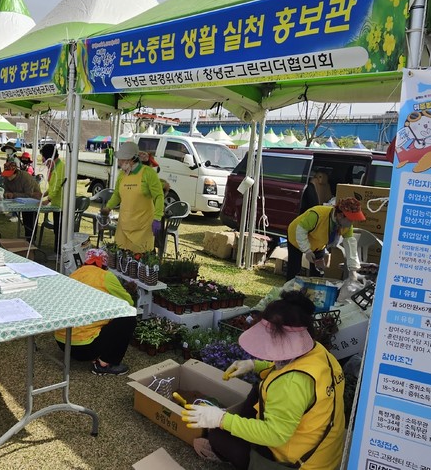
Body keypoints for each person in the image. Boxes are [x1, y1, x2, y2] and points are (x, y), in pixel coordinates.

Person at [182, 291, 345, 470]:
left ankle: (238, 456)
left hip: (299, 464)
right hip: (325, 454)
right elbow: (288, 368)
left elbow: (275, 434)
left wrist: (221, 419)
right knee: (258, 388)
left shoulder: (291, 384)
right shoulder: (319, 352)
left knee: (218, 437)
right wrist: (254, 365)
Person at [53, 249, 136, 375]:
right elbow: (128, 302)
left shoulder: (74, 274)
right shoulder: (106, 276)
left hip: (63, 343)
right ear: (104, 264)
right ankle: (104, 363)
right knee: (129, 318)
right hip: (86, 348)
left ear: (86, 262)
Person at [100, 141, 164, 253]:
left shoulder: (148, 173)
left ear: (130, 160)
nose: (119, 162)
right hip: (123, 225)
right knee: (121, 260)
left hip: (142, 227)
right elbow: (117, 195)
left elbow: (159, 196)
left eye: (121, 159)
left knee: (139, 262)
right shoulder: (122, 174)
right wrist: (108, 207)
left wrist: (157, 217)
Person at [286, 197, 364, 281]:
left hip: (318, 243)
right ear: (340, 215)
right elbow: (301, 231)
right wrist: (307, 250)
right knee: (294, 268)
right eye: (350, 220)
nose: (351, 223)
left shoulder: (347, 225)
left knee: (318, 271)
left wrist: (353, 270)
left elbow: (350, 245)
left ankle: (314, 291)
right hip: (296, 236)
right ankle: (287, 291)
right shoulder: (317, 214)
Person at [1, 161, 42, 240]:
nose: (8, 177)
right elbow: (6, 190)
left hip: (33, 200)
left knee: (30, 220)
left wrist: (14, 195)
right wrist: (6, 194)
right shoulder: (6, 178)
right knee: (26, 221)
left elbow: (29, 194)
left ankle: (31, 240)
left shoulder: (25, 177)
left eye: (9, 175)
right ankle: (28, 239)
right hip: (19, 201)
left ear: (15, 172)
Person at [40, 143, 65, 257]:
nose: (44, 161)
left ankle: (59, 253)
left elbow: (57, 185)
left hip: (61, 205)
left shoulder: (60, 167)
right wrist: (43, 194)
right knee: (57, 229)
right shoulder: (55, 166)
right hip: (56, 204)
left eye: (44, 158)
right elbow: (52, 187)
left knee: (59, 230)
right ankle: (57, 252)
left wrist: (48, 199)